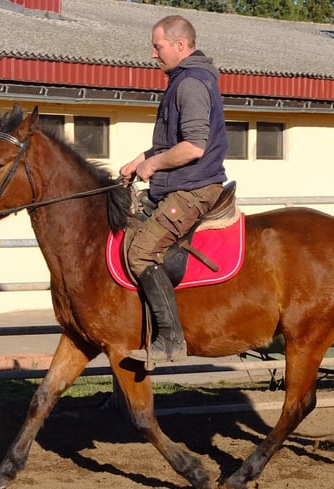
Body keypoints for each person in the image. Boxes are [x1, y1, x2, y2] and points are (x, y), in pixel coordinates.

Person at [120, 15, 227, 367]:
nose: (153, 54)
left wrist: (153, 165)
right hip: (180, 183)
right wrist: (140, 160)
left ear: (180, 45)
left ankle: (170, 339)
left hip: (193, 190)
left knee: (140, 253)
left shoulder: (190, 84)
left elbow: (193, 147)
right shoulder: (183, 80)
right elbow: (172, 142)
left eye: (158, 46)